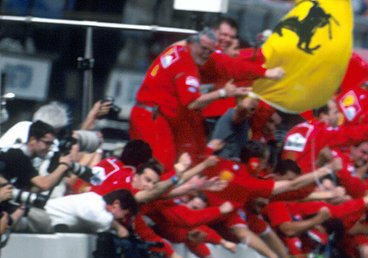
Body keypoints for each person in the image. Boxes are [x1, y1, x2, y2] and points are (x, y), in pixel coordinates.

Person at [129, 28, 252, 167]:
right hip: (153, 117)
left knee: (142, 165)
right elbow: (192, 103)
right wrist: (223, 93)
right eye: (204, 49)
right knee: (162, 166)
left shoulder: (176, 50)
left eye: (210, 51)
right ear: (193, 44)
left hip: (146, 113)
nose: (206, 54)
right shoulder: (187, 66)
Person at [44, 188, 138, 235]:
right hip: (40, 215)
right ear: (116, 205)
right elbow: (97, 218)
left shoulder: (98, 205)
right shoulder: (93, 201)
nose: (123, 218)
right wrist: (118, 228)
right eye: (124, 214)